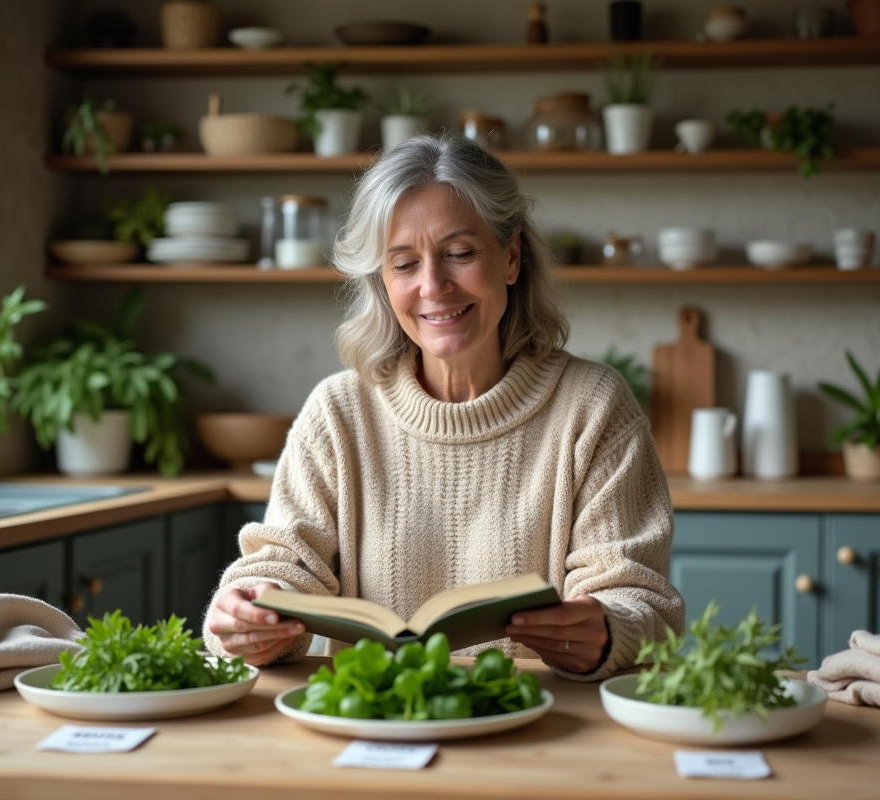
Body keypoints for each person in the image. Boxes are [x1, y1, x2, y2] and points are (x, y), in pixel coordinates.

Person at [203, 133, 684, 680]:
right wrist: (252, 614)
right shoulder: (337, 413)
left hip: (535, 729)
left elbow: (640, 601)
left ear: (511, 257)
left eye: (459, 254)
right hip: (370, 724)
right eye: (404, 264)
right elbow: (282, 567)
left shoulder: (593, 408)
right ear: (383, 282)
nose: (433, 286)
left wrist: (608, 630)